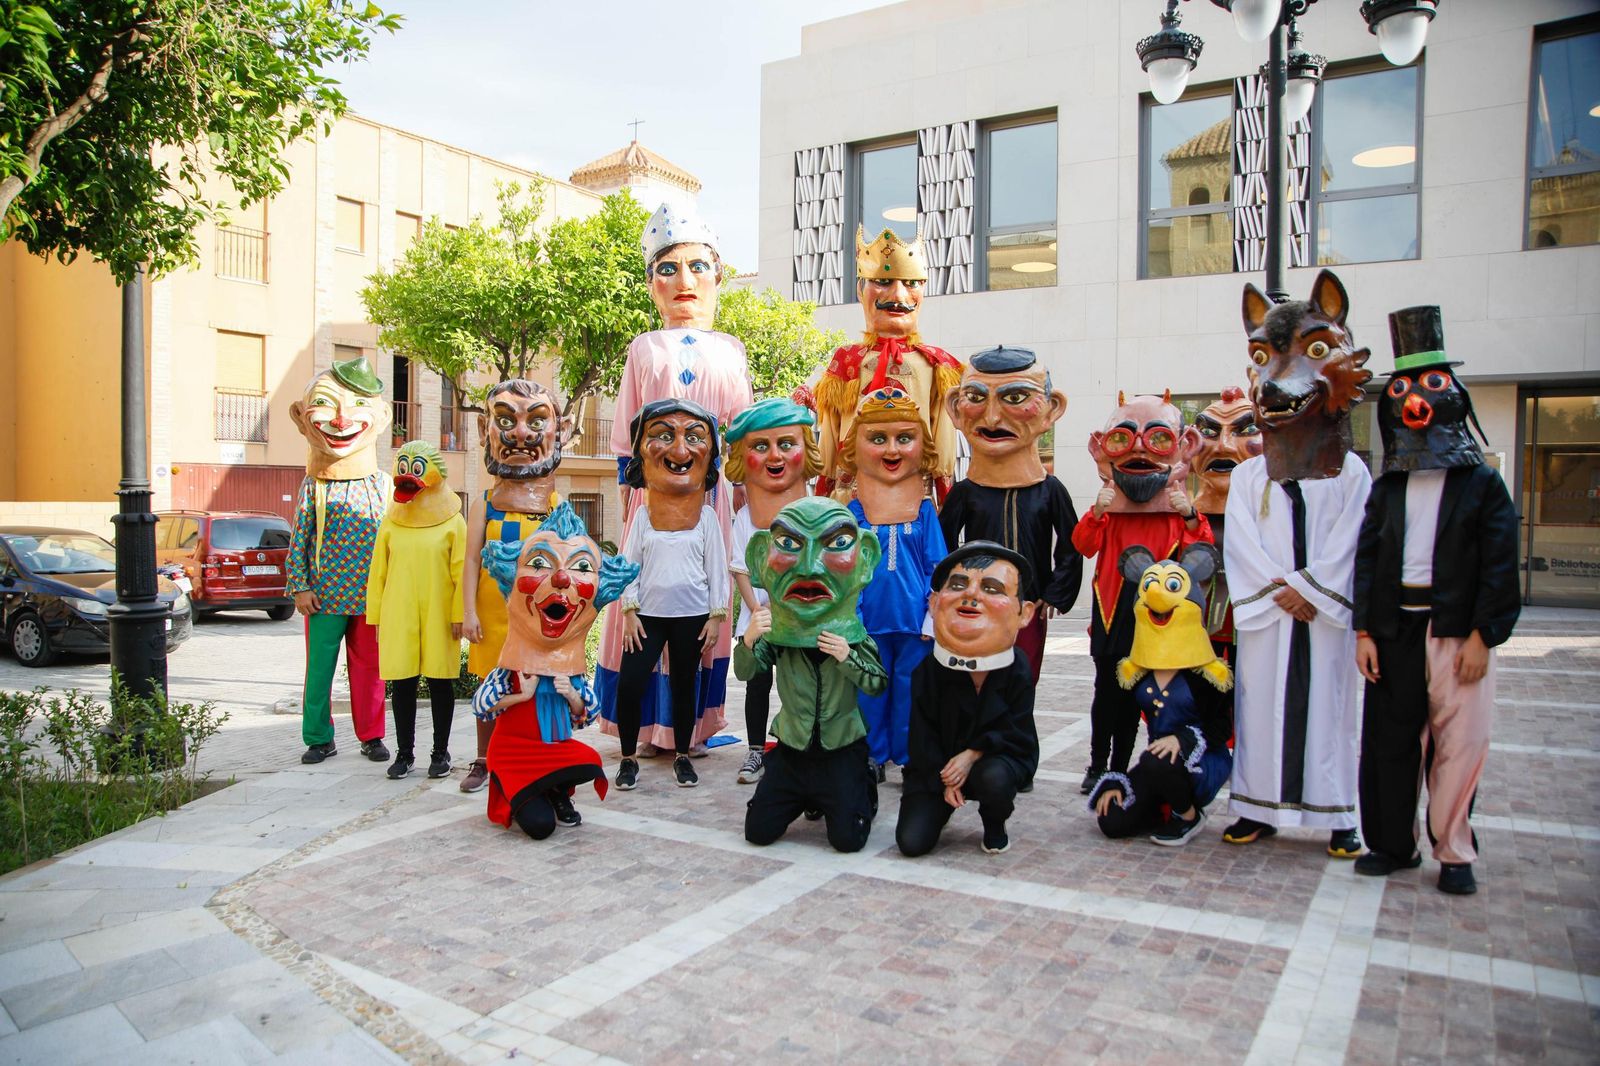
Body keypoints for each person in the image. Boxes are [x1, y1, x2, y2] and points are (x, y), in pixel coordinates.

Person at [1352, 305, 1520, 895]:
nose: (1415, 401)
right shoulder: (1389, 484)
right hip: (1395, 630)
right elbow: (1367, 560)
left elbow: (1500, 566)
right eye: (1403, 389)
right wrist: (1365, 631)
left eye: (1429, 387)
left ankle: (1454, 851)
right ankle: (1392, 845)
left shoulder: (1483, 485)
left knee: (1460, 743)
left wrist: (1483, 635)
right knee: (1389, 743)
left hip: (1457, 633)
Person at [1223, 270, 1372, 857]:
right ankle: (1257, 808)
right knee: (1260, 705)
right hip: (1272, 614)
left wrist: (1315, 589)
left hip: (1321, 615)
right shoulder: (1249, 475)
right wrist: (1273, 591)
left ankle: (1339, 812)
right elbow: (1240, 541)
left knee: (1332, 708)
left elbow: (1353, 537)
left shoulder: (1351, 471)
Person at [597, 203, 751, 756]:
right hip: (652, 497)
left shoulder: (732, 351)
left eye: (697, 266)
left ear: (718, 277)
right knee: (645, 602)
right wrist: (631, 501)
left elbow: (743, 431)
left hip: (713, 497)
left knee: (707, 601)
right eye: (668, 268)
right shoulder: (644, 348)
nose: (684, 281)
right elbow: (624, 434)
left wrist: (739, 499)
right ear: (650, 283)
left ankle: (696, 726)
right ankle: (639, 724)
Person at [471, 501, 639, 839]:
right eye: (539, 564)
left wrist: (572, 694)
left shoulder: (571, 672)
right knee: (540, 827)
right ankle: (526, 796)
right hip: (514, 753)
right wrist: (521, 695)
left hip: (552, 751)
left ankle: (557, 793)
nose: (562, 579)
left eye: (579, 568)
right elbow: (482, 706)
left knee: (589, 760)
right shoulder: (511, 672)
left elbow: (585, 715)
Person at [1071, 391, 1211, 795]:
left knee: (1138, 696)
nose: (1138, 451)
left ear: (1183, 446)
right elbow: (1083, 545)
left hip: (1155, 619)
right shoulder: (1110, 504)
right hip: (1111, 610)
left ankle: (1120, 765)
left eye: (1157, 439)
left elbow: (1198, 553)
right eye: (1122, 439)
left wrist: (1187, 514)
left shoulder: (1178, 505)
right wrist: (1097, 512)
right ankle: (1097, 764)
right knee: (1106, 693)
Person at [737, 497, 887, 853]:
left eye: (836, 545)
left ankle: (860, 784)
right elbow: (746, 672)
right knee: (757, 831)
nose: (808, 568)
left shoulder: (855, 638)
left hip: (841, 747)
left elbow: (878, 684)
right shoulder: (778, 639)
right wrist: (748, 639)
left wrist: (847, 657)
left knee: (848, 840)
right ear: (761, 559)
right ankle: (807, 795)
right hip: (793, 747)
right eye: (789, 545)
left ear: (864, 559)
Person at [940, 345, 1082, 686]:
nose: (991, 418)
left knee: (1021, 679)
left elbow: (1071, 544)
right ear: (955, 410)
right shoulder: (965, 492)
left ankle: (1014, 739)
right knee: (977, 680)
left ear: (1052, 409)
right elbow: (940, 545)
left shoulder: (1050, 490)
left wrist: (1055, 593)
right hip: (975, 603)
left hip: (1027, 606)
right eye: (975, 397)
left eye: (1016, 398)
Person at [611, 399, 730, 790]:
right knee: (630, 685)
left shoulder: (708, 518)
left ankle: (681, 754)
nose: (680, 450)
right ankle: (628, 758)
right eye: (664, 436)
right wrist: (629, 611)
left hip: (692, 616)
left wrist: (716, 616)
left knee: (683, 687)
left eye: (693, 438)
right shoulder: (642, 517)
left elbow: (718, 569)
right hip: (647, 616)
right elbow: (629, 567)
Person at [897, 542, 1039, 857]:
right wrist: (945, 779)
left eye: (992, 588)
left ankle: (994, 821)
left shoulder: (1016, 668)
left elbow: (1016, 732)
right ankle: (944, 804)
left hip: (992, 761)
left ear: (1023, 612)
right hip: (938, 770)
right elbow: (921, 739)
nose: (972, 595)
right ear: (934, 603)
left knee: (995, 779)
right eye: (959, 585)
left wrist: (972, 754)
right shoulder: (927, 670)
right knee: (911, 842)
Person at [459, 379, 567, 794]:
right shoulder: (484, 503)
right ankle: (484, 759)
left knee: (535, 685)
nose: (520, 434)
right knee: (489, 683)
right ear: (486, 428)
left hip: (536, 618)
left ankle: (533, 750)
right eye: (505, 420)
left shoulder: (556, 507)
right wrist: (467, 611)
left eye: (536, 421)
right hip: (492, 614)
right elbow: (470, 559)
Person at [1089, 545, 1233, 846]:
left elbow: (1221, 729)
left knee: (1158, 765)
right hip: (1157, 762)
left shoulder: (1208, 673)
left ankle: (1189, 815)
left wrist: (1182, 739)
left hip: (1202, 760)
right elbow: (1124, 726)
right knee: (1112, 822)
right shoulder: (1137, 670)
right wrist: (1116, 778)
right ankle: (1159, 807)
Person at [286, 356, 392, 765]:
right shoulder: (314, 486)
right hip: (325, 596)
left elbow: (392, 541)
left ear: (379, 417)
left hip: (370, 598)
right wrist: (300, 586)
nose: (342, 417)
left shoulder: (383, 486)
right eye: (328, 404)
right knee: (319, 672)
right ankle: (317, 737)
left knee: (370, 671)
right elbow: (300, 538)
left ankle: (372, 735)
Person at [840, 388, 946, 779]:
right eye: (878, 439)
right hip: (869, 623)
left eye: (904, 438)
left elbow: (938, 567)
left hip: (913, 623)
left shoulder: (923, 512)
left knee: (910, 694)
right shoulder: (854, 512)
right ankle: (873, 754)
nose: (892, 450)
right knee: (870, 691)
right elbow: (845, 568)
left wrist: (932, 619)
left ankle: (906, 756)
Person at [813, 226, 962, 502]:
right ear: (861, 289)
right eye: (883, 281)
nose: (898, 295)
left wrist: (944, 505)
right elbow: (830, 441)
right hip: (852, 500)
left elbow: (943, 444)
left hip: (914, 496)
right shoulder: (846, 361)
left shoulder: (936, 363)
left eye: (911, 283)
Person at [723, 397, 822, 784]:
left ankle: (805, 747)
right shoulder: (746, 517)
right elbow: (740, 568)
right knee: (757, 683)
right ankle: (753, 750)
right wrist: (755, 611)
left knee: (804, 683)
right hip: (760, 619)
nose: (775, 456)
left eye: (786, 444)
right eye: (761, 447)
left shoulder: (816, 509)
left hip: (803, 618)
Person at [366, 441, 467, 780]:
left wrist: (458, 615)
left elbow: (460, 572)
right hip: (399, 612)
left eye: (418, 467)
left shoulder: (454, 522)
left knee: (440, 682)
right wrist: (377, 617)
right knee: (403, 682)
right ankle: (404, 753)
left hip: (440, 614)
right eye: (403, 466)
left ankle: (441, 752)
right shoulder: (391, 522)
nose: (408, 475)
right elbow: (377, 572)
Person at [1190, 386, 1261, 656]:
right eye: (1208, 432)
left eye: (1246, 430)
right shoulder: (1182, 517)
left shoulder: (1279, 516)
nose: (1223, 446)